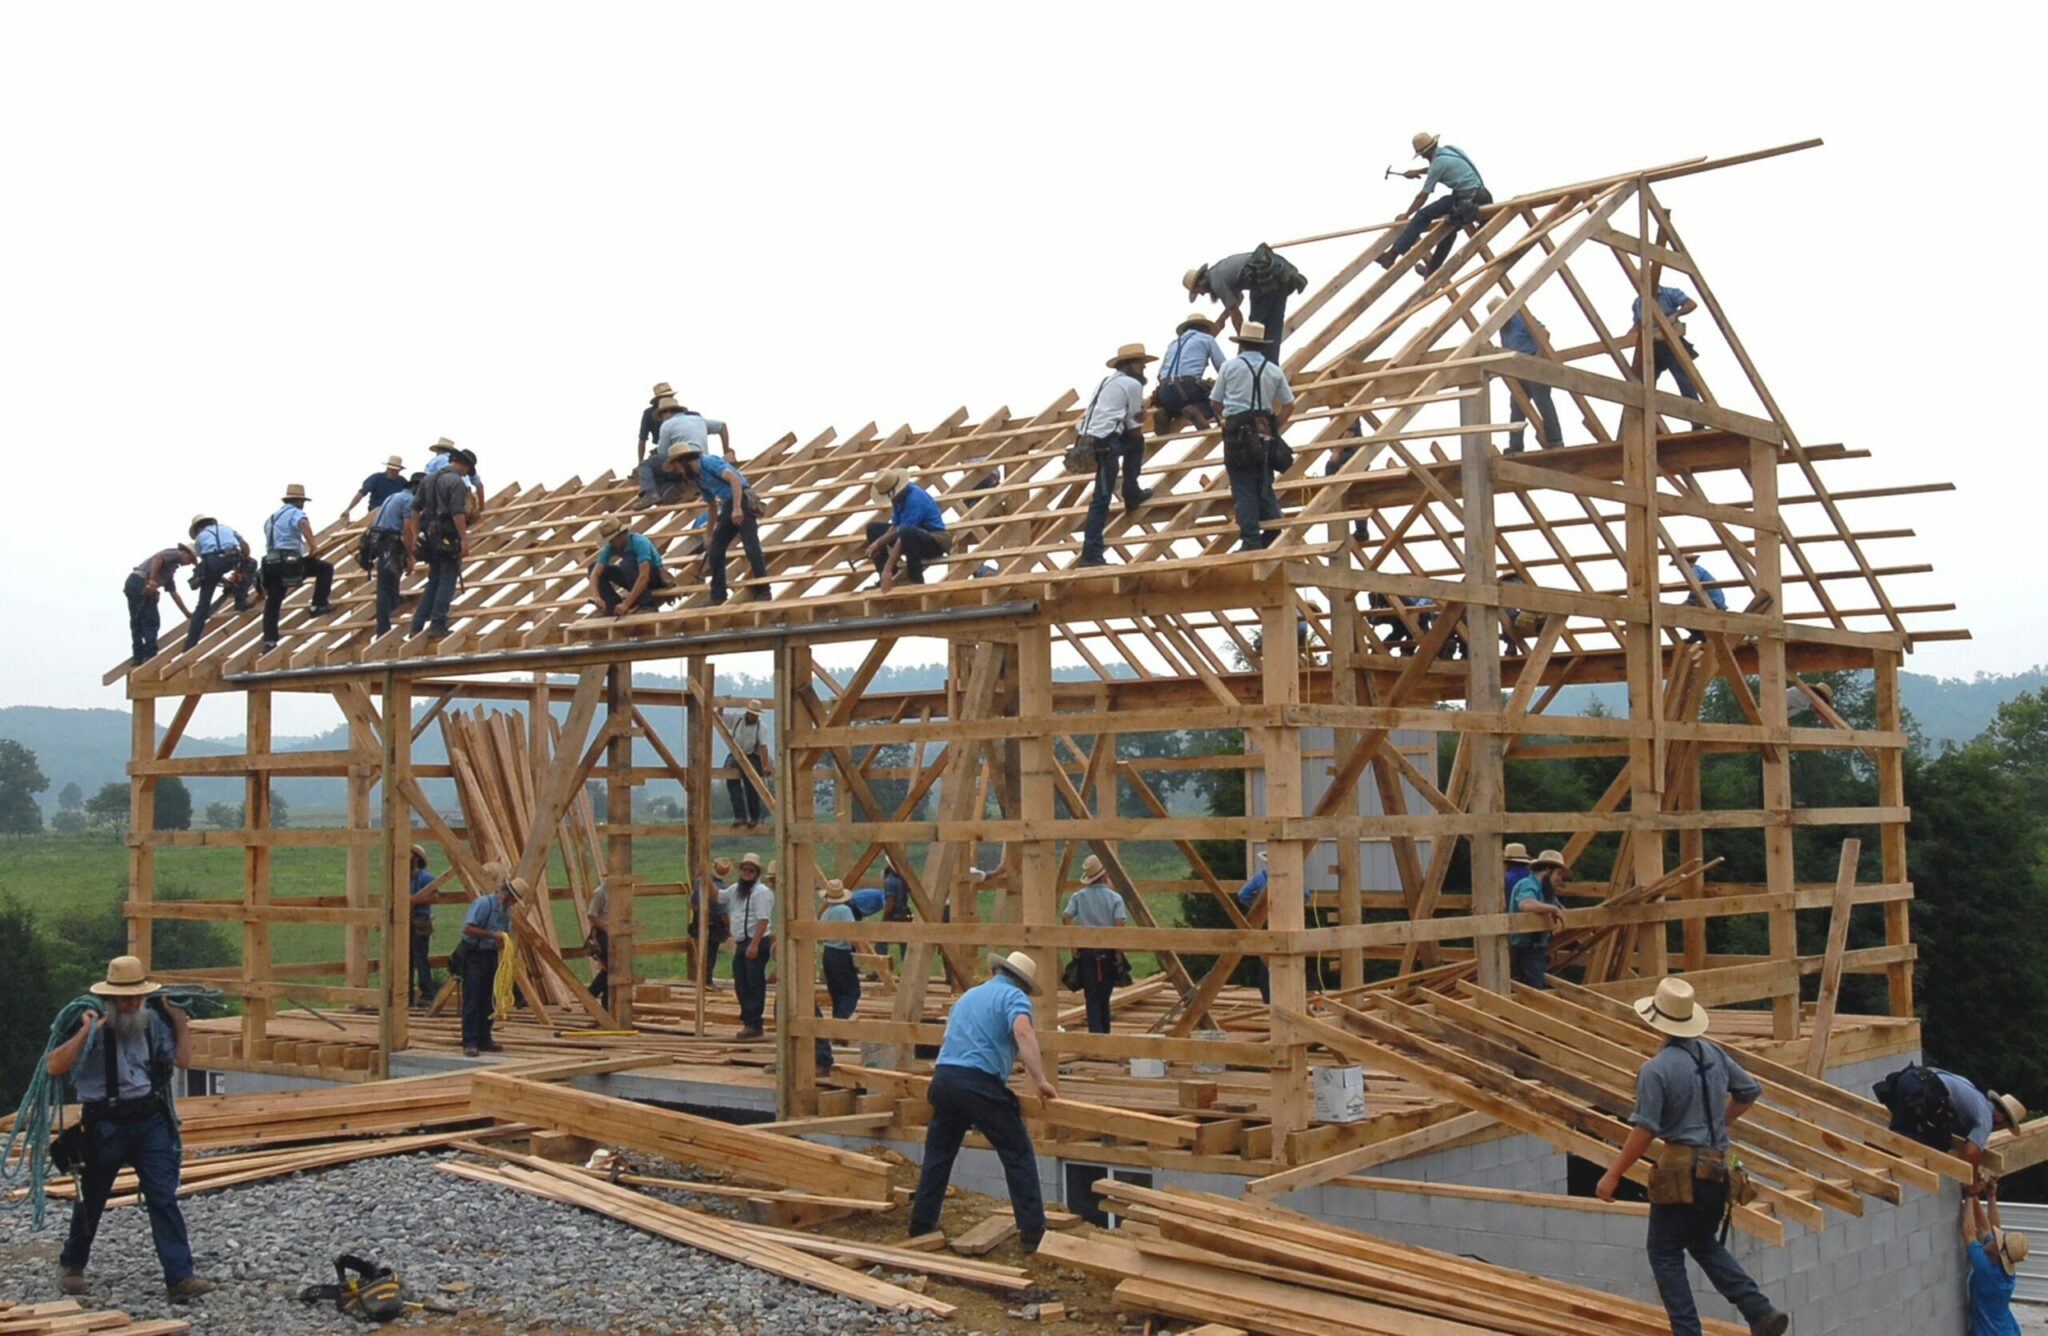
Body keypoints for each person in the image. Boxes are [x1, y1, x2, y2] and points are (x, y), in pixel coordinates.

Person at [1596, 977, 1789, 1336]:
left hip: (1681, 1174)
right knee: (1702, 1242)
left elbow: (1645, 1129)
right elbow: (1749, 1090)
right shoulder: (1713, 1054)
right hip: (1717, 1169)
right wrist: (1718, 1122)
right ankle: (1760, 1312)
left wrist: (1613, 1174)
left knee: (1664, 1252)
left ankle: (1687, 1331)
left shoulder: (1656, 1070)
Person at [46, 956, 215, 1299]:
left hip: (149, 1120)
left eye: (136, 997)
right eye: (124, 998)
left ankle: (180, 1277)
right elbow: (53, 1067)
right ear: (110, 998)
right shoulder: (89, 1024)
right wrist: (85, 1032)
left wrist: (180, 1022)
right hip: (104, 1122)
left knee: (162, 1195)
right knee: (91, 1197)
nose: (131, 1004)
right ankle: (72, 1262)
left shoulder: (152, 1021)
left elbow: (183, 1060)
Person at [907, 951, 1058, 1251]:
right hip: (978, 1083)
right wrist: (1040, 1079)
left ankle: (921, 1224)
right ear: (1023, 985)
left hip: (944, 1079)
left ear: (997, 971)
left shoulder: (968, 997)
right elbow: (1023, 1033)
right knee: (1017, 1153)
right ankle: (1032, 1233)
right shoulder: (1014, 997)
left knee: (939, 1155)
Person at [1211, 321, 1296, 552]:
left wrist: (1224, 418)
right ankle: (1273, 529)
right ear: (1261, 346)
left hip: (1237, 432)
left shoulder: (1229, 367)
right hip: (1264, 431)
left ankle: (1250, 541)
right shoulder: (1273, 369)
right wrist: (1274, 424)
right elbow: (1289, 404)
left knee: (1243, 486)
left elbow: (1215, 401)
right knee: (1264, 482)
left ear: (1241, 345)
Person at [1074, 345, 1156, 568]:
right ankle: (1091, 555)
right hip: (1105, 442)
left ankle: (1131, 491)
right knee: (1101, 498)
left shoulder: (1106, 381)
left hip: (1089, 437)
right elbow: (1134, 427)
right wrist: (1141, 417)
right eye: (1140, 364)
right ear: (1129, 365)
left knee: (1134, 445)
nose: (1144, 368)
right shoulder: (1132, 384)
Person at [1875, 1065, 2026, 1185]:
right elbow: (1971, 1152)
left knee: (1899, 1131)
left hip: (1907, 1078)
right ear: (2001, 1117)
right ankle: (1881, 1144)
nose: (1997, 1129)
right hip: (1920, 1092)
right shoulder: (1986, 1118)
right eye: (2003, 1126)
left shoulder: (1972, 1091)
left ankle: (1877, 1144)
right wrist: (1972, 1182)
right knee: (1941, 1143)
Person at [671, 444, 769, 604]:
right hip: (728, 504)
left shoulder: (708, 462)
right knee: (715, 550)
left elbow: (735, 479)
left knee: (751, 546)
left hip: (741, 499)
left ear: (684, 462)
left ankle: (764, 589)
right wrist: (709, 534)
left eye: (678, 468)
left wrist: (737, 508)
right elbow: (711, 506)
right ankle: (718, 595)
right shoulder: (698, 479)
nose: (679, 472)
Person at [1385, 132, 1491, 277]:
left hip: (1467, 201)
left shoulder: (1437, 165)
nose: (1422, 157)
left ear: (1426, 152)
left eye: (1422, 154)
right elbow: (1438, 167)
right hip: (1481, 195)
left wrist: (1407, 214)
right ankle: (1432, 270)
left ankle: (1392, 255)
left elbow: (1422, 196)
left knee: (1423, 215)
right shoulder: (1451, 150)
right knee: (1448, 228)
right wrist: (1418, 171)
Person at [1183, 246, 1307, 356]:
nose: (1203, 294)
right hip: (1279, 272)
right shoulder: (1221, 270)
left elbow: (1235, 313)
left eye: (1199, 291)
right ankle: (1270, 365)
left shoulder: (1215, 280)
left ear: (1200, 283)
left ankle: (1250, 363)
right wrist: (1221, 320)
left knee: (1255, 326)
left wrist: (1244, 341)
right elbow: (1238, 299)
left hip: (1263, 275)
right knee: (1273, 325)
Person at [259, 484, 336, 651]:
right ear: (300, 501)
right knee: (325, 568)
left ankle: (269, 641)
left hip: (270, 563)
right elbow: (303, 523)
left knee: (273, 602)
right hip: (289, 562)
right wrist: (313, 546)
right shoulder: (296, 513)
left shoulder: (271, 518)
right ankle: (318, 604)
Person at [410, 449, 476, 641]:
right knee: (447, 579)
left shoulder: (427, 480)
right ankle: (437, 624)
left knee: (434, 580)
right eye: (467, 469)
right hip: (447, 534)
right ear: (463, 465)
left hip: (430, 535)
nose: (466, 474)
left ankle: (417, 625)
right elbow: (457, 513)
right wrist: (464, 539)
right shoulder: (455, 483)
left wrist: (415, 535)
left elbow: (415, 509)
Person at [458, 870, 522, 1057]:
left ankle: (484, 1038)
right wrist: (491, 935)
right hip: (474, 955)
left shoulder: (505, 910)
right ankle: (469, 1041)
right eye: (512, 900)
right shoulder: (483, 904)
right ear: (504, 895)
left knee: (490, 999)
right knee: (473, 998)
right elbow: (468, 928)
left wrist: (502, 941)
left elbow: (505, 932)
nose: (513, 904)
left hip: (491, 955)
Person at [1062, 855, 1127, 1034]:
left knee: (1091, 995)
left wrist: (1073, 946)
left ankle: (1095, 1035)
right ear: (1104, 876)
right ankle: (1105, 1033)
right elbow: (1119, 926)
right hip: (1107, 951)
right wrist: (1118, 953)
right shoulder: (1115, 898)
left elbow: (1066, 916)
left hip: (1087, 951)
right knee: (1105, 995)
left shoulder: (1079, 896)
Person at [1489, 299, 1563, 452]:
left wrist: (1537, 358)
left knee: (1542, 401)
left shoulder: (1520, 318)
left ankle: (1556, 440)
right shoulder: (1503, 328)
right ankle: (1516, 446)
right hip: (1518, 370)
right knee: (1516, 406)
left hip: (1533, 367)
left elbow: (1543, 333)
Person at [866, 468, 954, 588]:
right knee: (873, 529)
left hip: (935, 542)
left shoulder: (915, 498)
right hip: (912, 538)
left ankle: (915, 579)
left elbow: (903, 535)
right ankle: (886, 580)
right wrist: (878, 544)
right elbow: (895, 526)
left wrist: (888, 568)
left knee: (905, 531)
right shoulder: (898, 498)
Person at [1964, 1176, 2027, 1336]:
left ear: (1999, 1253)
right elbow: (1988, 1228)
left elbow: (1969, 1233)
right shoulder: (2001, 1266)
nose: (1994, 1238)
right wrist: (1987, 1196)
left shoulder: (1987, 1271)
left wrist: (1969, 1195)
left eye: (1997, 1241)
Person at [720, 853, 774, 1039]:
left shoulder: (762, 893)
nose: (747, 873)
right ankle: (748, 1020)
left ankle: (754, 1023)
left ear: (757, 872)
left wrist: (755, 944)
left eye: (751, 870)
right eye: (744, 870)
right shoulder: (736, 889)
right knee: (741, 983)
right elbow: (718, 897)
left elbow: (763, 919)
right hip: (742, 942)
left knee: (754, 983)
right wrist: (706, 881)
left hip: (756, 942)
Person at [183, 514, 256, 650]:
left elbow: (207, 560)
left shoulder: (199, 538)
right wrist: (242, 569)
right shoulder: (226, 528)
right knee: (251, 563)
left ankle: (190, 644)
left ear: (198, 528)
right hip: (232, 557)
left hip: (212, 563)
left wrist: (220, 579)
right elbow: (244, 546)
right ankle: (241, 599)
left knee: (203, 606)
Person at [364, 473, 422, 637]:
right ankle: (383, 630)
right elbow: (407, 531)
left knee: (389, 578)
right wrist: (411, 556)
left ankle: (395, 598)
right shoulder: (409, 501)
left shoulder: (394, 497)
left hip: (380, 541)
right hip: (389, 543)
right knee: (384, 586)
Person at [587, 516, 676, 617]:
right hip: (632, 576)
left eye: (612, 540)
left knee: (626, 564)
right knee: (592, 566)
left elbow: (644, 576)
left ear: (620, 535)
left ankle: (647, 605)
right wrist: (596, 597)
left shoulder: (639, 542)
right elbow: (595, 573)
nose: (610, 543)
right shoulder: (612, 546)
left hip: (654, 577)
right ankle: (612, 607)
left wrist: (626, 604)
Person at [1507, 849, 1570, 990]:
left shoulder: (1546, 890)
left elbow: (1562, 909)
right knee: (1533, 992)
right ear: (1547, 870)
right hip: (1524, 950)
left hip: (1537, 949)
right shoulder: (1528, 884)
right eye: (1558, 874)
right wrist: (1552, 909)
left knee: (1535, 989)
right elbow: (1525, 904)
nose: (1560, 879)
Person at [1628, 284, 1703, 401]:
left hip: (1671, 342)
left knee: (1682, 377)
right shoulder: (1638, 303)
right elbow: (1637, 326)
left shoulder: (1669, 293)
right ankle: (1643, 413)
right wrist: (1617, 343)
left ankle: (1694, 411)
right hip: (1652, 346)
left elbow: (1691, 304)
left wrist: (1675, 315)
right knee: (1643, 383)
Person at [124, 543, 194, 665]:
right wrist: (152, 580)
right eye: (190, 559)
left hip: (133, 582)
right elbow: (159, 558)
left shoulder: (169, 571)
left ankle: (138, 657)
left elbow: (173, 593)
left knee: (137, 621)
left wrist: (186, 612)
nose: (189, 563)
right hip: (140, 581)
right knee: (151, 620)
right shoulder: (175, 554)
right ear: (185, 553)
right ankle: (150, 655)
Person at [1154, 313, 1224, 432]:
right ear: (1205, 328)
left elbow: (1159, 375)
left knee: (1178, 406)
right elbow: (1223, 368)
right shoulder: (1207, 338)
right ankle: (1198, 410)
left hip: (1164, 391)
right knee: (1216, 400)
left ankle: (1166, 414)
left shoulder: (1174, 343)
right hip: (1188, 388)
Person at [725, 700, 772, 829]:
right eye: (753, 714)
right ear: (748, 712)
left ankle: (754, 817)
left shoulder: (761, 727)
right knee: (731, 781)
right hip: (735, 753)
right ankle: (740, 816)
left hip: (751, 754)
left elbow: (763, 747)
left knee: (751, 784)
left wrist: (765, 765)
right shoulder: (736, 719)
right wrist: (722, 704)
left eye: (757, 715)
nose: (755, 717)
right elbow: (720, 717)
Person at [819, 879, 861, 1020]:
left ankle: (837, 1022)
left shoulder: (826, 913)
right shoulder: (844, 910)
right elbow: (852, 932)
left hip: (828, 952)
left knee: (836, 991)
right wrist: (860, 951)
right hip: (841, 953)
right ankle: (842, 1020)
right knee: (851, 991)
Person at [406, 844, 438, 1006]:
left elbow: (434, 897)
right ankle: (406, 995)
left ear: (417, 858)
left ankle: (427, 994)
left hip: (419, 921)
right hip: (403, 922)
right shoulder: (401, 879)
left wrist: (413, 900)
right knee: (405, 961)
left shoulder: (425, 878)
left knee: (420, 959)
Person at [656, 396, 734, 462]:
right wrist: (726, 449)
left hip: (684, 464)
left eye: (661, 416)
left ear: (667, 412)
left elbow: (663, 455)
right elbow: (722, 426)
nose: (662, 419)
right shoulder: (698, 419)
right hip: (705, 461)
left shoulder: (666, 425)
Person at [1671, 554, 1727, 644]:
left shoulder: (1695, 570)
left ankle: (1699, 633)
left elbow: (1691, 582)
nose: (1678, 569)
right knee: (1680, 611)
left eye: (1678, 566)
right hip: (1709, 601)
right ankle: (1699, 633)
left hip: (1711, 602)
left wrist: (1670, 585)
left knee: (1676, 612)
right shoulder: (1698, 571)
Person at [341, 454, 412, 520]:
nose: (393, 472)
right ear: (387, 469)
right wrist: (348, 509)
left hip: (393, 515)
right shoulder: (376, 478)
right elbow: (361, 493)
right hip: (374, 513)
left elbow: (410, 497)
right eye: (391, 469)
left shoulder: (402, 482)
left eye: (395, 471)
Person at [585, 878, 612, 1008]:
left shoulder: (617, 892)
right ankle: (604, 1004)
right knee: (611, 969)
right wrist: (606, 928)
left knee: (611, 970)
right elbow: (592, 915)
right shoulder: (600, 892)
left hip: (614, 935)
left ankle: (591, 999)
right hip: (603, 935)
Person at [636, 381, 674, 462]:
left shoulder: (680, 411)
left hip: (680, 447)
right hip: (662, 451)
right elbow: (642, 439)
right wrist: (640, 462)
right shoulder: (649, 413)